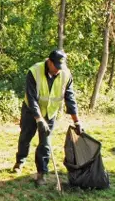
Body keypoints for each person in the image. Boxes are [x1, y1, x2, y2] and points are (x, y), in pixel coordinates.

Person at [12, 50, 82, 187]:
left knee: (45, 142)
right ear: (49, 62)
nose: (57, 70)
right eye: (55, 66)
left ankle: (42, 173)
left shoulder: (65, 75)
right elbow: (31, 99)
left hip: (50, 112)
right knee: (25, 136)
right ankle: (20, 161)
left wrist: (77, 121)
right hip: (30, 111)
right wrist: (38, 119)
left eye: (60, 67)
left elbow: (70, 99)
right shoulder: (34, 71)